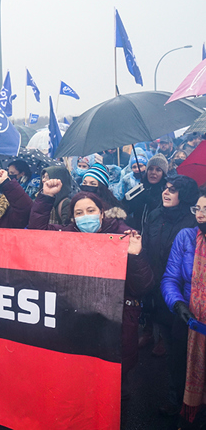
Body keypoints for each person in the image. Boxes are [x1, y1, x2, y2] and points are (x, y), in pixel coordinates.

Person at [29, 180, 154, 403]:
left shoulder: (124, 235)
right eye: (79, 213)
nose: (85, 216)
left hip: (118, 318)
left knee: (115, 385)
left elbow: (143, 286)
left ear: (102, 212)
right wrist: (46, 197)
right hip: (82, 317)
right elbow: (38, 235)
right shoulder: (69, 234)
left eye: (90, 210)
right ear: (73, 218)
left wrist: (135, 255)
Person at [140, 176, 199, 366]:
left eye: (172, 190)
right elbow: (147, 246)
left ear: (185, 195)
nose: (165, 192)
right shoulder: (155, 215)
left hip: (182, 292)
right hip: (157, 283)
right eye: (165, 188)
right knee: (165, 331)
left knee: (182, 349)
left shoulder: (194, 223)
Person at [161, 187, 206, 423]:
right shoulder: (186, 237)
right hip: (189, 322)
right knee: (181, 371)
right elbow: (170, 278)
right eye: (197, 208)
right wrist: (177, 303)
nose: (200, 214)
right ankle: (187, 418)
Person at [125, 153, 168, 231]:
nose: (153, 172)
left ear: (163, 174)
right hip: (137, 234)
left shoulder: (166, 192)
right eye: (151, 169)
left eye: (158, 170)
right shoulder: (139, 189)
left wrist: (152, 201)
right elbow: (126, 210)